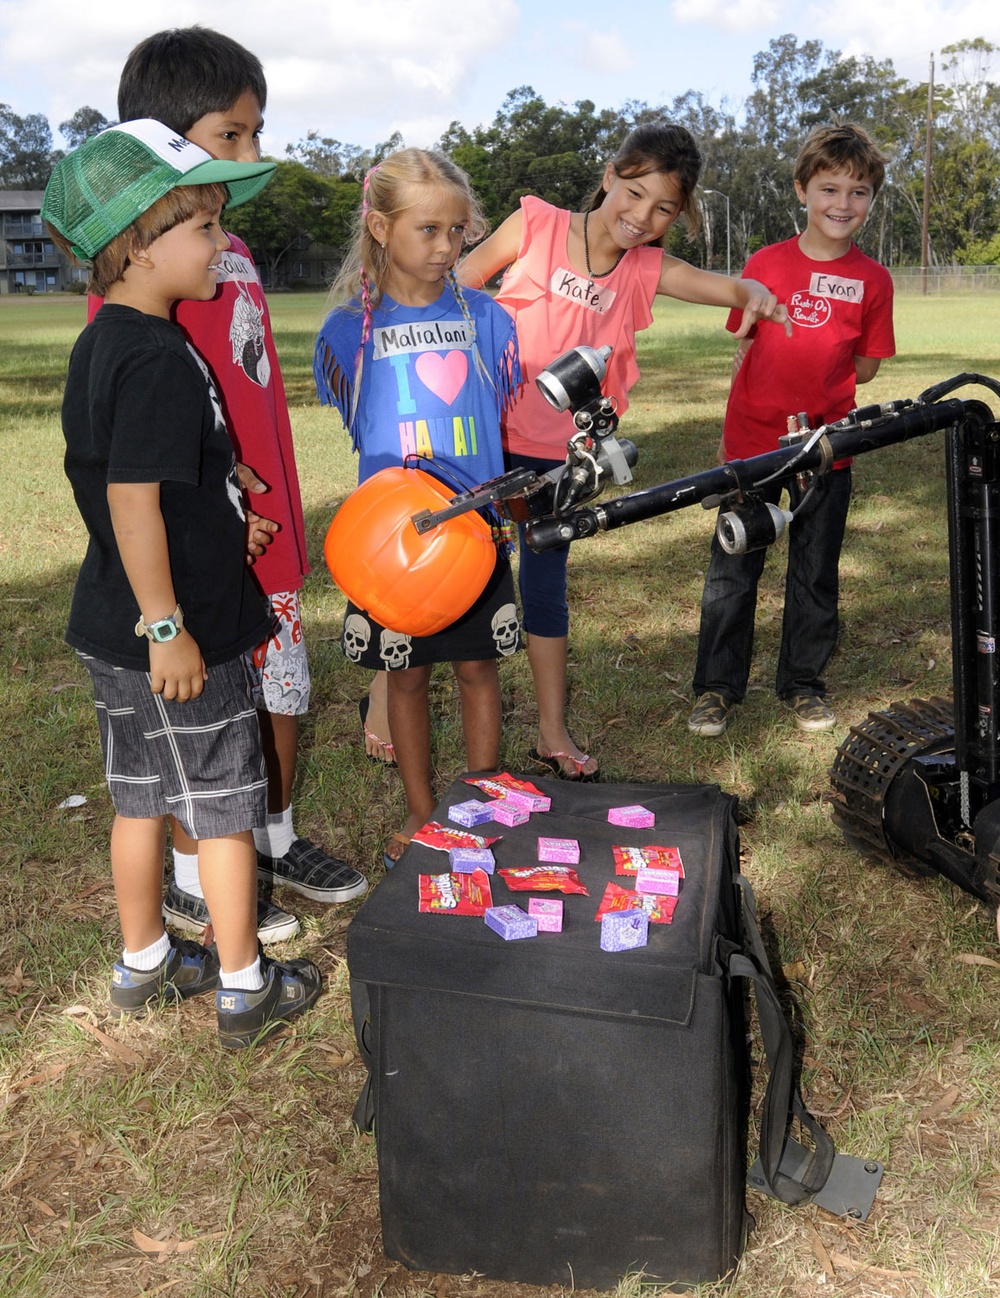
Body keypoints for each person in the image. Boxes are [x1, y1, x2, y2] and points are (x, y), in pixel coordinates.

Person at [363, 122, 790, 781]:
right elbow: (457, 286)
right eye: (635, 192)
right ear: (610, 175)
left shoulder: (647, 268)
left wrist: (752, 292)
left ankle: (552, 731)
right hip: (473, 442)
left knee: (545, 587)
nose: (642, 216)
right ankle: (382, 702)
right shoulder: (533, 224)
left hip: (555, 463)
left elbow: (718, 284)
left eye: (664, 208)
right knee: (428, 567)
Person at [43, 119, 322, 1048]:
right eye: (203, 227)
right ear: (137, 246)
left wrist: (227, 482)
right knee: (224, 807)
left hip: (110, 626)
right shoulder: (160, 356)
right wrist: (170, 626)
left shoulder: (116, 342)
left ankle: (148, 961)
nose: (221, 243)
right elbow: (130, 499)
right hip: (177, 636)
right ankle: (245, 984)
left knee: (139, 799)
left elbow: (143, 462)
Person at [107, 26, 367, 942]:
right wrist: (216, 515)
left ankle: (271, 835)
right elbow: (147, 443)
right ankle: (194, 867)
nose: (255, 153)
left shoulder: (233, 246)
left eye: (259, 131)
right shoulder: (146, 270)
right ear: (162, 143)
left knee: (281, 688)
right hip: (213, 539)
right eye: (233, 133)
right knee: (212, 710)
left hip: (273, 524)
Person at [314, 148, 522, 867]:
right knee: (404, 675)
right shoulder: (347, 333)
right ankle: (422, 810)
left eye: (457, 231)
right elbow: (357, 426)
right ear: (379, 226)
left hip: (475, 532)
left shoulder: (490, 319)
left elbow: (501, 406)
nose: (446, 247)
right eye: (427, 230)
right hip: (394, 543)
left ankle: (486, 795)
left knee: (478, 669)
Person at [688, 123, 895, 738]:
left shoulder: (874, 281)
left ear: (871, 200)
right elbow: (745, 343)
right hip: (752, 446)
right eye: (828, 188)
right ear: (802, 190)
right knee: (733, 569)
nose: (842, 203)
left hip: (827, 448)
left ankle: (803, 683)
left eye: (858, 192)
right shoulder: (763, 265)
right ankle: (718, 689)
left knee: (815, 568)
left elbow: (865, 366)